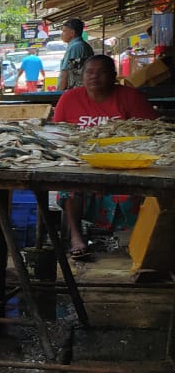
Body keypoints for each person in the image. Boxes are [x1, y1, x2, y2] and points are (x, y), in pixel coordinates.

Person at [52, 54, 157, 258]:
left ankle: (136, 240)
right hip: (81, 162)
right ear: (82, 76)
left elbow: (150, 131)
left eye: (102, 72)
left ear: (114, 76)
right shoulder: (69, 98)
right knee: (68, 189)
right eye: (89, 72)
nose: (94, 77)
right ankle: (76, 236)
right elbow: (59, 134)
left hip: (124, 163)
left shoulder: (131, 97)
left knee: (138, 192)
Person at [59, 18, 91, 90]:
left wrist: (58, 95)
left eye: (64, 31)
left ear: (72, 33)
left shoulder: (76, 47)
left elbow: (66, 73)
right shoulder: (82, 45)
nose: (62, 34)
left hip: (75, 91)